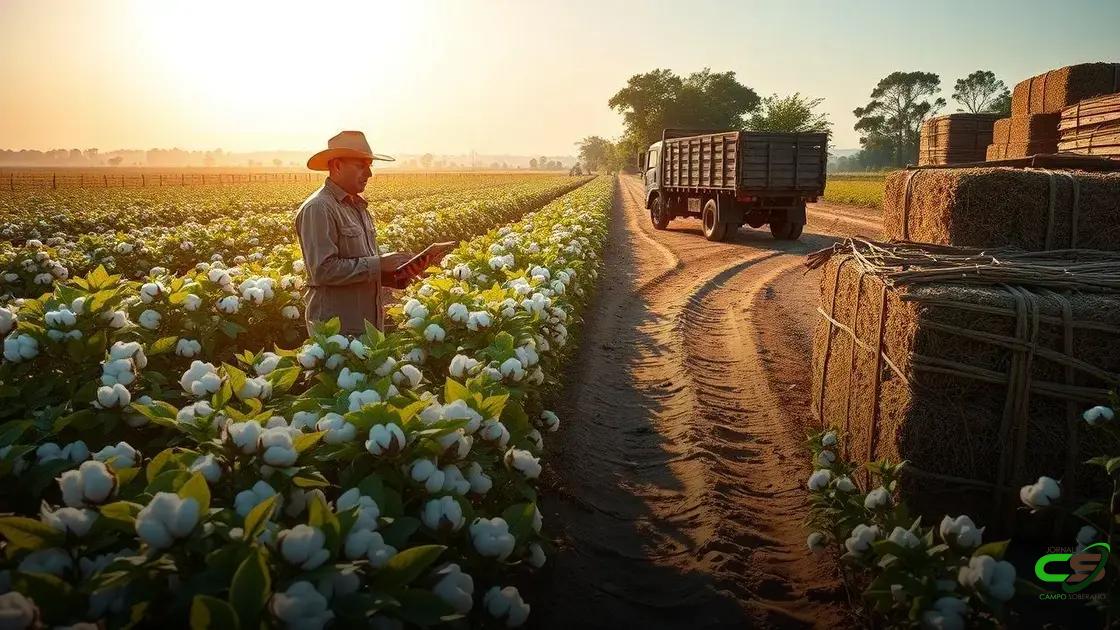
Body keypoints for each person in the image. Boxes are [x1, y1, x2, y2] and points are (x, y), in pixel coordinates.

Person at [294, 130, 416, 335]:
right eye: (361, 166)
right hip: (337, 334)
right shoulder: (319, 208)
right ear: (337, 165)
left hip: (366, 326)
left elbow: (357, 267)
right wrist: (379, 264)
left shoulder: (357, 206)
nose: (369, 174)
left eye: (369, 166)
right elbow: (323, 271)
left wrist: (392, 275)